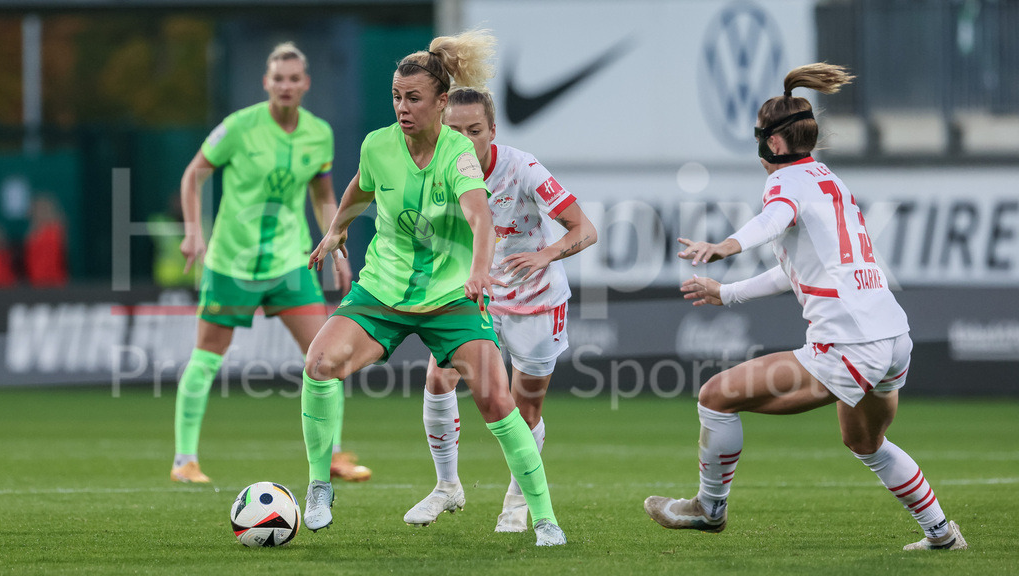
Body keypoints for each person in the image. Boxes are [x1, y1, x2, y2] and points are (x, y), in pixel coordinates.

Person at [643, 63, 967, 551]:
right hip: (893, 336)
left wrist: (725, 246)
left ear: (772, 143)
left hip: (849, 343)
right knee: (865, 443)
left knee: (715, 396)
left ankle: (709, 509)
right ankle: (942, 534)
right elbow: (798, 270)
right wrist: (728, 292)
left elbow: (771, 222)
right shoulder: (827, 180)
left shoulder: (786, 184)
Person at [301, 30, 567, 546]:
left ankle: (545, 518)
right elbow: (361, 184)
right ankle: (317, 485)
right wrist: (337, 229)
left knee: (495, 400)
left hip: (450, 297)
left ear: (441, 102)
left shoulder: (457, 154)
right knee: (319, 364)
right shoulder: (378, 144)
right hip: (381, 291)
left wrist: (478, 271)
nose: (402, 107)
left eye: (414, 98)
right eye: (397, 97)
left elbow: (480, 217)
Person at [171, 42, 371, 485]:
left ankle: (333, 456)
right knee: (206, 358)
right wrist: (193, 231)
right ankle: (184, 460)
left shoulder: (319, 133)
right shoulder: (238, 127)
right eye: (277, 78)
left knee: (326, 358)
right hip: (232, 262)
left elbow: (323, 195)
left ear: (305, 85)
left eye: (293, 78)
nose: (285, 85)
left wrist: (336, 244)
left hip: (290, 261)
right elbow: (193, 175)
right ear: (266, 83)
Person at [402, 87, 597, 532]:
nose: (465, 140)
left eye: (475, 131)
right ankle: (446, 486)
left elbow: (585, 229)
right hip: (476, 298)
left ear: (493, 130)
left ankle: (516, 504)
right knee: (438, 377)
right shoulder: (433, 169)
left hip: (536, 303)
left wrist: (545, 256)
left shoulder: (522, 168)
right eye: (454, 130)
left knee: (523, 410)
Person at [24, 196, 68, 287]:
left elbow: (50, 260)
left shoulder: (54, 231)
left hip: (51, 282)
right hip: (36, 281)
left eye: (38, 209)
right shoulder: (35, 232)